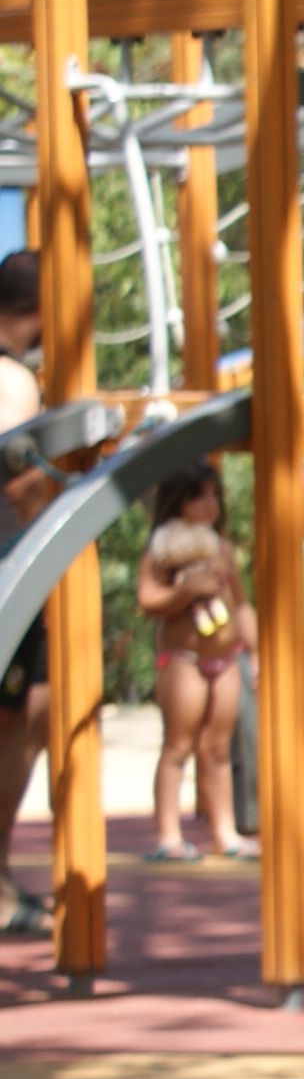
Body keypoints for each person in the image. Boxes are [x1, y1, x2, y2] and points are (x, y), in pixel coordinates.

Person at [133, 468, 251, 861]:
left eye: (214, 495)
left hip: (225, 659)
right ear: (178, 501)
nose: (210, 504)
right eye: (198, 496)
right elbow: (148, 600)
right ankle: (168, 834)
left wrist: (255, 647)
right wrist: (184, 592)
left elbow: (241, 601)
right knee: (178, 745)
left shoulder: (222, 548)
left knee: (217, 748)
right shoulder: (162, 547)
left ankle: (225, 832)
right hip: (183, 660)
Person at [0, 252, 53, 935]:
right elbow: (20, 483)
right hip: (10, 567)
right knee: (24, 718)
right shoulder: (13, 379)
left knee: (32, 716)